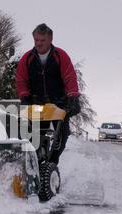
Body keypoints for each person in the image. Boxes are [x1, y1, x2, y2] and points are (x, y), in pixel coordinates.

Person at [15, 23, 81, 164]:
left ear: (50, 40)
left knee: (61, 135)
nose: (38, 44)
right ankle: (37, 160)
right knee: (36, 134)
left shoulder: (60, 56)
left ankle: (52, 162)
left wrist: (73, 96)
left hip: (58, 103)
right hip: (37, 103)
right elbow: (21, 79)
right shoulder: (27, 58)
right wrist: (24, 96)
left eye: (42, 40)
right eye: (36, 40)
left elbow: (69, 77)